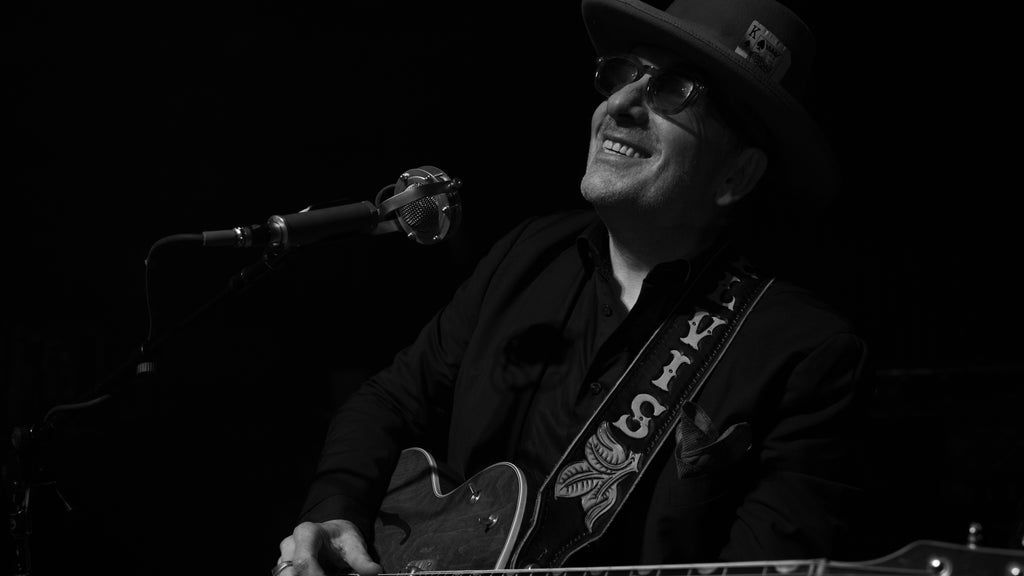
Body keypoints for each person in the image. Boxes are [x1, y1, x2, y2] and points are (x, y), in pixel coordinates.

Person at [275, 0, 869, 574]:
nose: (621, 104)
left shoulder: (804, 353)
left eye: (674, 90)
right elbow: (391, 399)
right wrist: (336, 510)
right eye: (625, 75)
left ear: (737, 173)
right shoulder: (525, 255)